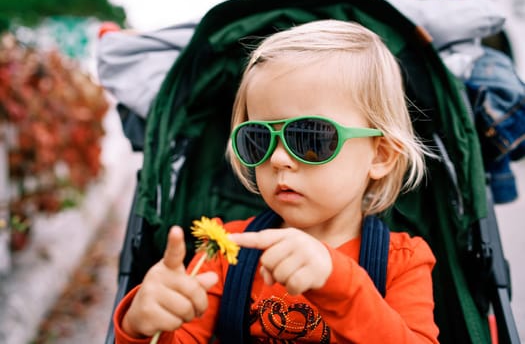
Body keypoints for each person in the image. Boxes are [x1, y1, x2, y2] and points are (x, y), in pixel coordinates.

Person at [113, 19, 439, 343]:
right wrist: (145, 324)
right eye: (257, 139)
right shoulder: (228, 248)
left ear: (379, 155)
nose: (279, 158)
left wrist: (339, 284)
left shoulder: (402, 262)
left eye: (311, 138)